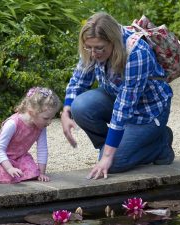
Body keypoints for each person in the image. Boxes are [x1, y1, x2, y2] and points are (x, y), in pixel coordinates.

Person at [61, 12, 174, 180]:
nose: (93, 53)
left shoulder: (136, 52)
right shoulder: (93, 45)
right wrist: (66, 111)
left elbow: (123, 108)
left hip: (148, 113)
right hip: (117, 98)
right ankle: (113, 147)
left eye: (99, 48)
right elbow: (79, 79)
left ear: (113, 42)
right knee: (80, 106)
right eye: (88, 47)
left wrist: (108, 157)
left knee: (113, 163)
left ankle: (160, 143)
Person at [0, 87, 62, 184]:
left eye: (52, 118)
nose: (49, 122)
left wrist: (42, 173)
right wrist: (9, 168)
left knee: (33, 172)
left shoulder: (41, 126)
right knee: (8, 175)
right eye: (46, 118)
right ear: (31, 112)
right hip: (0, 158)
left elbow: (42, 149)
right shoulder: (13, 124)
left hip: (19, 157)